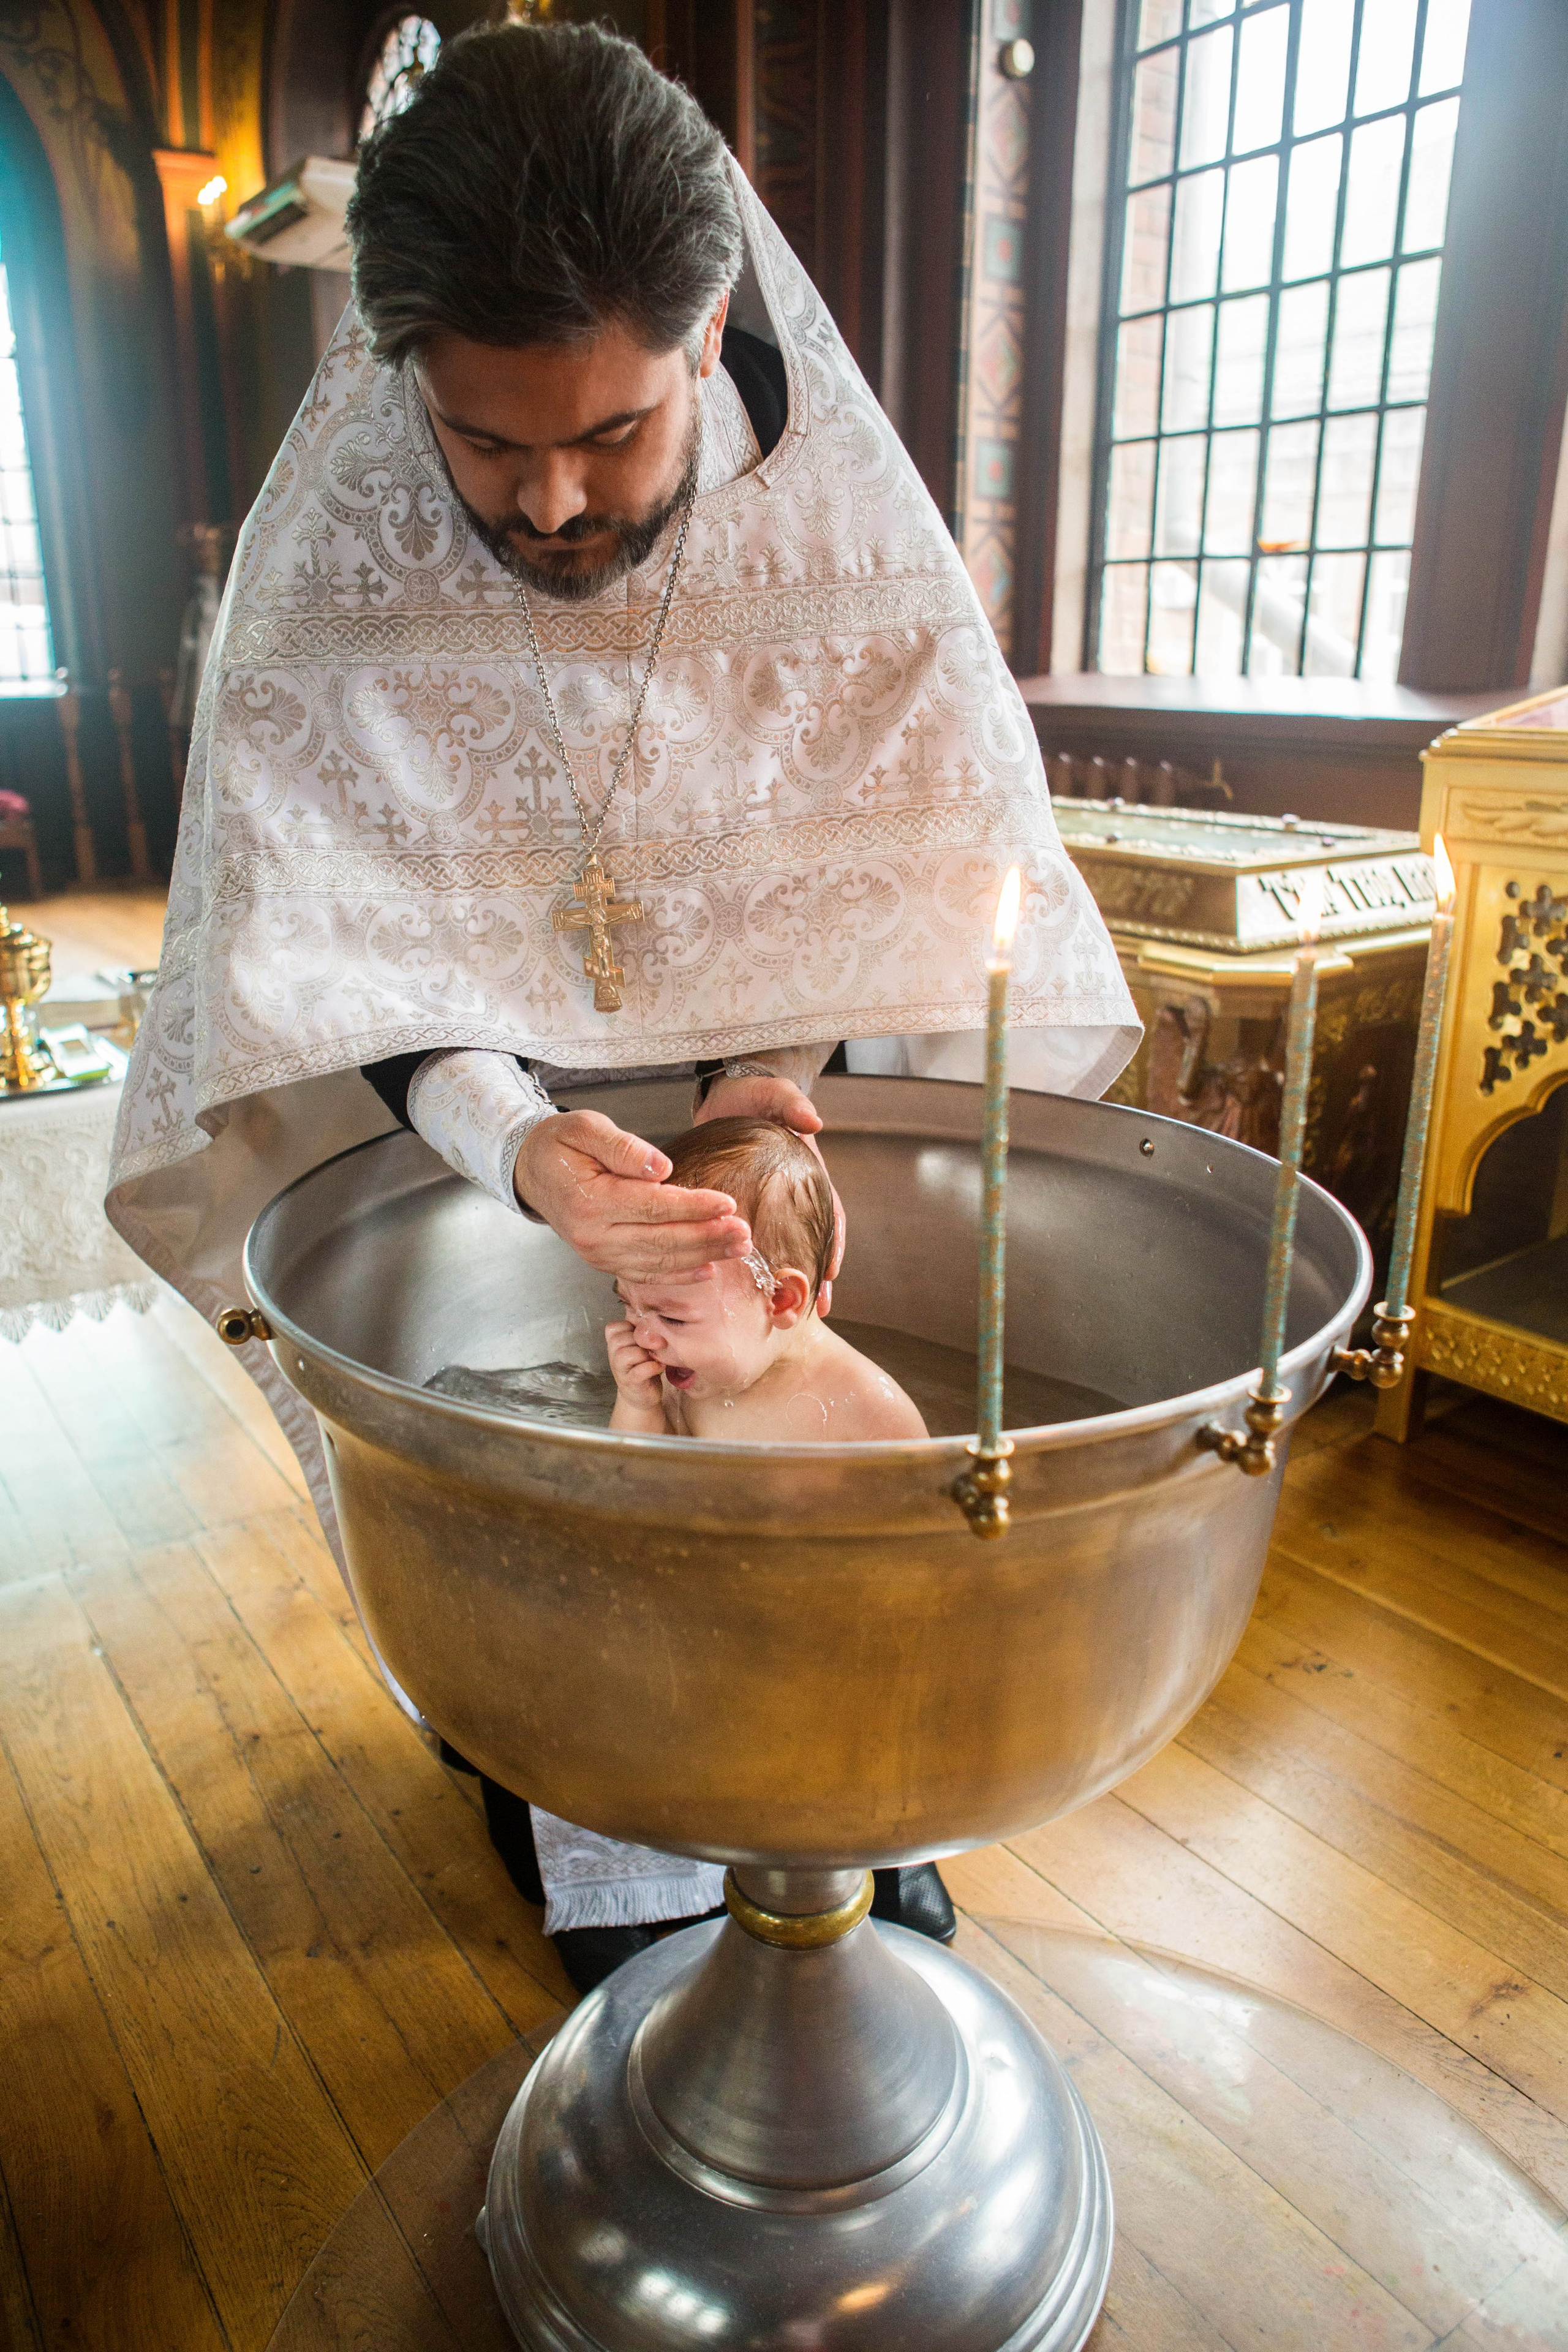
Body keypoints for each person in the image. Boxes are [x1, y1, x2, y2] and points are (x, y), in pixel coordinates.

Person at [107, 21, 1139, 1991]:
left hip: (786, 1122)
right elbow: (323, 953)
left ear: (709, 326)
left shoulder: (845, 528)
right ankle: (581, 1794)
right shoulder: (332, 558)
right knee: (556, 1564)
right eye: (487, 443)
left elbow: (906, 867)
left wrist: (761, 1087)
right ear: (397, 368)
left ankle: (844, 1802)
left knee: (818, 1505)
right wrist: (528, 1153)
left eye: (614, 433)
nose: (555, 502)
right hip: (469, 1143)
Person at [606, 1118, 927, 1441]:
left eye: (672, 1318)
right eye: (629, 1305)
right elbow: (629, 1479)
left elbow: (919, 1492)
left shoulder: (869, 1409)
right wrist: (638, 1407)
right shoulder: (679, 1370)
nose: (644, 1337)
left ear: (780, 1298)